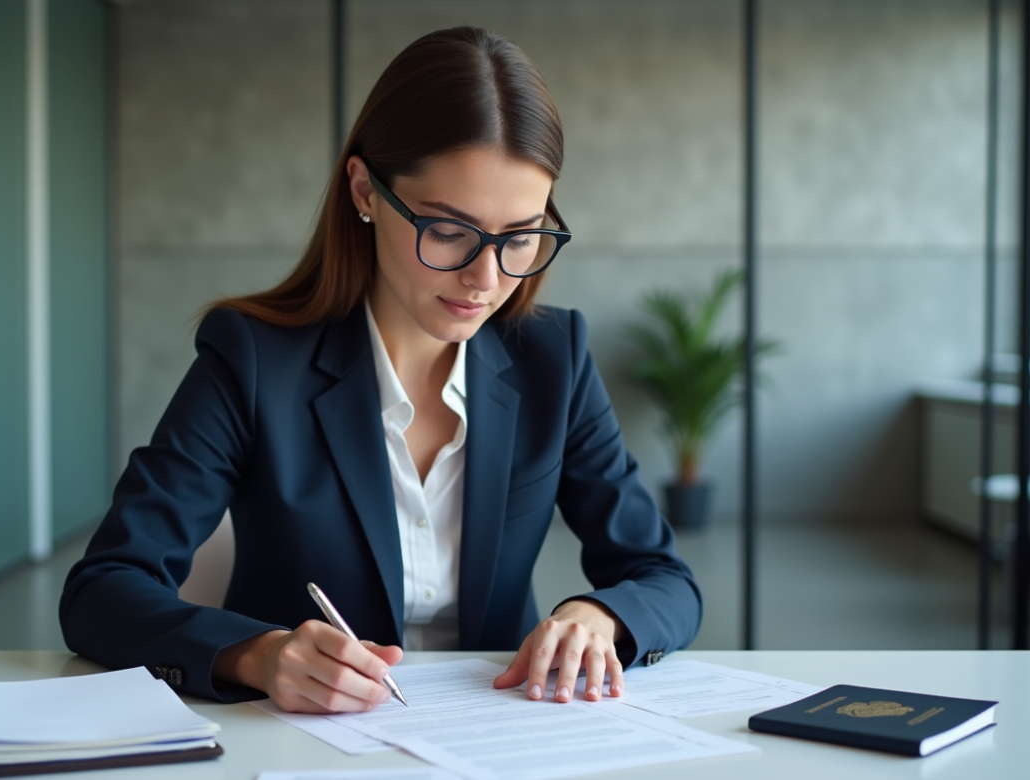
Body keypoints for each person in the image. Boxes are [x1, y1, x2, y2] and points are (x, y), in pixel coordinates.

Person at [60, 26, 701, 714]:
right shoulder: (251, 360)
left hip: (504, 736)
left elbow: (662, 578)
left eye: (520, 237)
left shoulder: (554, 358)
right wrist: (259, 655)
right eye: (449, 231)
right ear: (365, 191)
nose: (487, 278)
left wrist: (596, 617)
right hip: (304, 744)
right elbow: (103, 591)